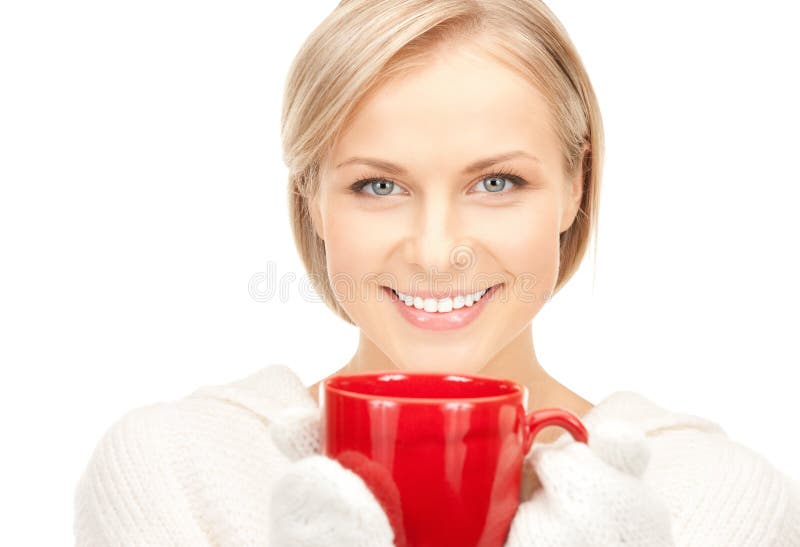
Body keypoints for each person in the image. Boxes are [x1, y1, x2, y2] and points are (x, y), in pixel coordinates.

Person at [73, 0, 800, 545]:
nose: (434, 250)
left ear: (576, 185)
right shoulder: (177, 470)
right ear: (313, 201)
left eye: (496, 183)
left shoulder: (711, 498)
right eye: (378, 186)